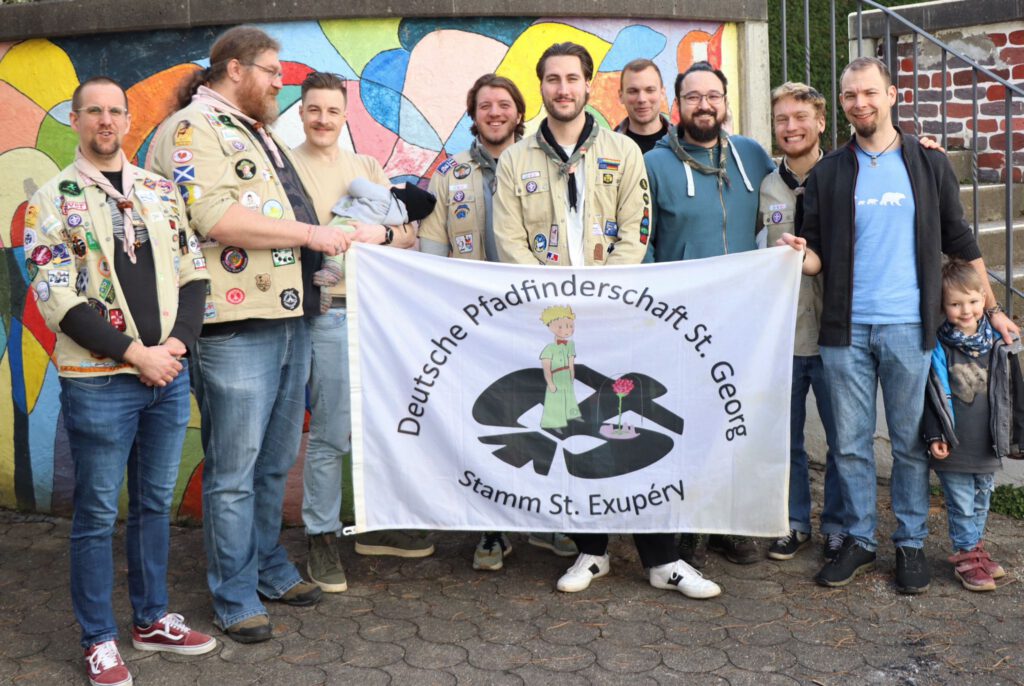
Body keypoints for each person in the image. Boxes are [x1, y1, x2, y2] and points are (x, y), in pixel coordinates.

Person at [150, 26, 358, 644]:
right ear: (235, 69)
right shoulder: (192, 129)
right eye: (272, 71)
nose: (279, 83)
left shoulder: (255, 131)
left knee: (273, 463)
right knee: (235, 471)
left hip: (288, 317)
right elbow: (214, 215)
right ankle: (234, 593)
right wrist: (314, 236)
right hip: (232, 327)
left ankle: (267, 565)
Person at [781, 56, 1018, 594]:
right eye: (849, 95)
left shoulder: (928, 163)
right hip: (845, 331)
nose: (859, 103)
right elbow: (816, 256)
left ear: (891, 95)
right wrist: (798, 254)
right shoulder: (829, 172)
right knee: (849, 444)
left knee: (911, 444)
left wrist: (994, 309)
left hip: (911, 328)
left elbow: (960, 241)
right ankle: (860, 540)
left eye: (869, 92)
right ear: (842, 104)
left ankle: (910, 544)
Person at [494, 42, 718, 599]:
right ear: (541, 87)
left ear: (588, 85)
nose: (563, 88)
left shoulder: (623, 152)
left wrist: (600, 296)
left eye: (572, 78)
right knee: (569, 426)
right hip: (554, 321)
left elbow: (636, 230)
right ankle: (591, 551)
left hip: (616, 314)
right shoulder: (515, 160)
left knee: (629, 421)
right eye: (553, 79)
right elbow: (509, 240)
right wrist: (558, 303)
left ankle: (662, 559)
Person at [29, 76, 215, 686]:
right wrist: (139, 355)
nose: (105, 121)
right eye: (93, 111)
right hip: (99, 381)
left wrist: (176, 346)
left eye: (115, 111)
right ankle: (99, 640)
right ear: (76, 120)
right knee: (97, 513)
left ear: (129, 120)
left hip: (167, 374)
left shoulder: (159, 191)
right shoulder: (51, 200)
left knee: (155, 504)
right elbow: (59, 300)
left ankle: (152, 619)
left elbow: (193, 272)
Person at [419, 73, 579, 570]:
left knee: (549, 413)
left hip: (535, 314)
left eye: (504, 104)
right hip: (477, 321)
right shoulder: (450, 174)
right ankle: (491, 528)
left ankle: (552, 521)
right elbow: (432, 250)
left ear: (519, 112)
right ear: (473, 115)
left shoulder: (545, 163)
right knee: (489, 421)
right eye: (485, 105)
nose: (495, 113)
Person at [290, 72, 434, 596]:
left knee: (382, 424)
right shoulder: (285, 167)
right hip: (326, 311)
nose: (323, 119)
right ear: (301, 112)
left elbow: (410, 234)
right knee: (331, 430)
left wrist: (383, 233)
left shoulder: (366, 167)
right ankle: (321, 536)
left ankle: (377, 525)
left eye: (332, 110)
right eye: (314, 109)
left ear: (345, 114)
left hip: (376, 312)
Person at [645, 60, 775, 568]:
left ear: (725, 101)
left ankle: (727, 524)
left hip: (743, 315)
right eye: (693, 96)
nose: (704, 105)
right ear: (677, 104)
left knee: (733, 421)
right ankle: (689, 528)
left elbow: (801, 182)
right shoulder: (654, 164)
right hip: (681, 318)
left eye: (713, 95)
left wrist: (915, 149)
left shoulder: (751, 155)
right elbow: (644, 239)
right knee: (689, 422)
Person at [758, 82, 847, 563]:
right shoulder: (767, 186)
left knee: (841, 439)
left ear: (820, 122)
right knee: (786, 439)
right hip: (784, 336)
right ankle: (794, 523)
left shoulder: (845, 175)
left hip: (835, 336)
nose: (790, 127)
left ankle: (836, 525)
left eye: (800, 118)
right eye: (781, 120)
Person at [923, 259, 1018, 592]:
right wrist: (936, 434)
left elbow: (1011, 393)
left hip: (987, 441)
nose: (966, 310)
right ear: (942, 306)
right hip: (955, 442)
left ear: (984, 299)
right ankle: (966, 556)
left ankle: (975, 549)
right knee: (962, 503)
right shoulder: (939, 346)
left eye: (973, 301)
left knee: (982, 498)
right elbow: (930, 394)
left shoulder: (996, 343)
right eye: (955, 304)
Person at [615, 58, 671, 154]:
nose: (642, 99)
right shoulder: (607, 145)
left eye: (650, 90)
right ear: (621, 96)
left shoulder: (683, 144)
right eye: (633, 91)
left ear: (662, 93)